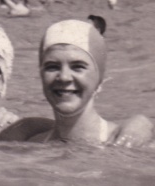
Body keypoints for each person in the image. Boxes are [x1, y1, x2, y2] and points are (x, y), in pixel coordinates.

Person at [13, 19, 153, 146]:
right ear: (41, 74)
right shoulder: (31, 145)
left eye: (78, 66)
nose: (64, 77)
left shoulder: (129, 145)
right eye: (52, 66)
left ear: (100, 80)